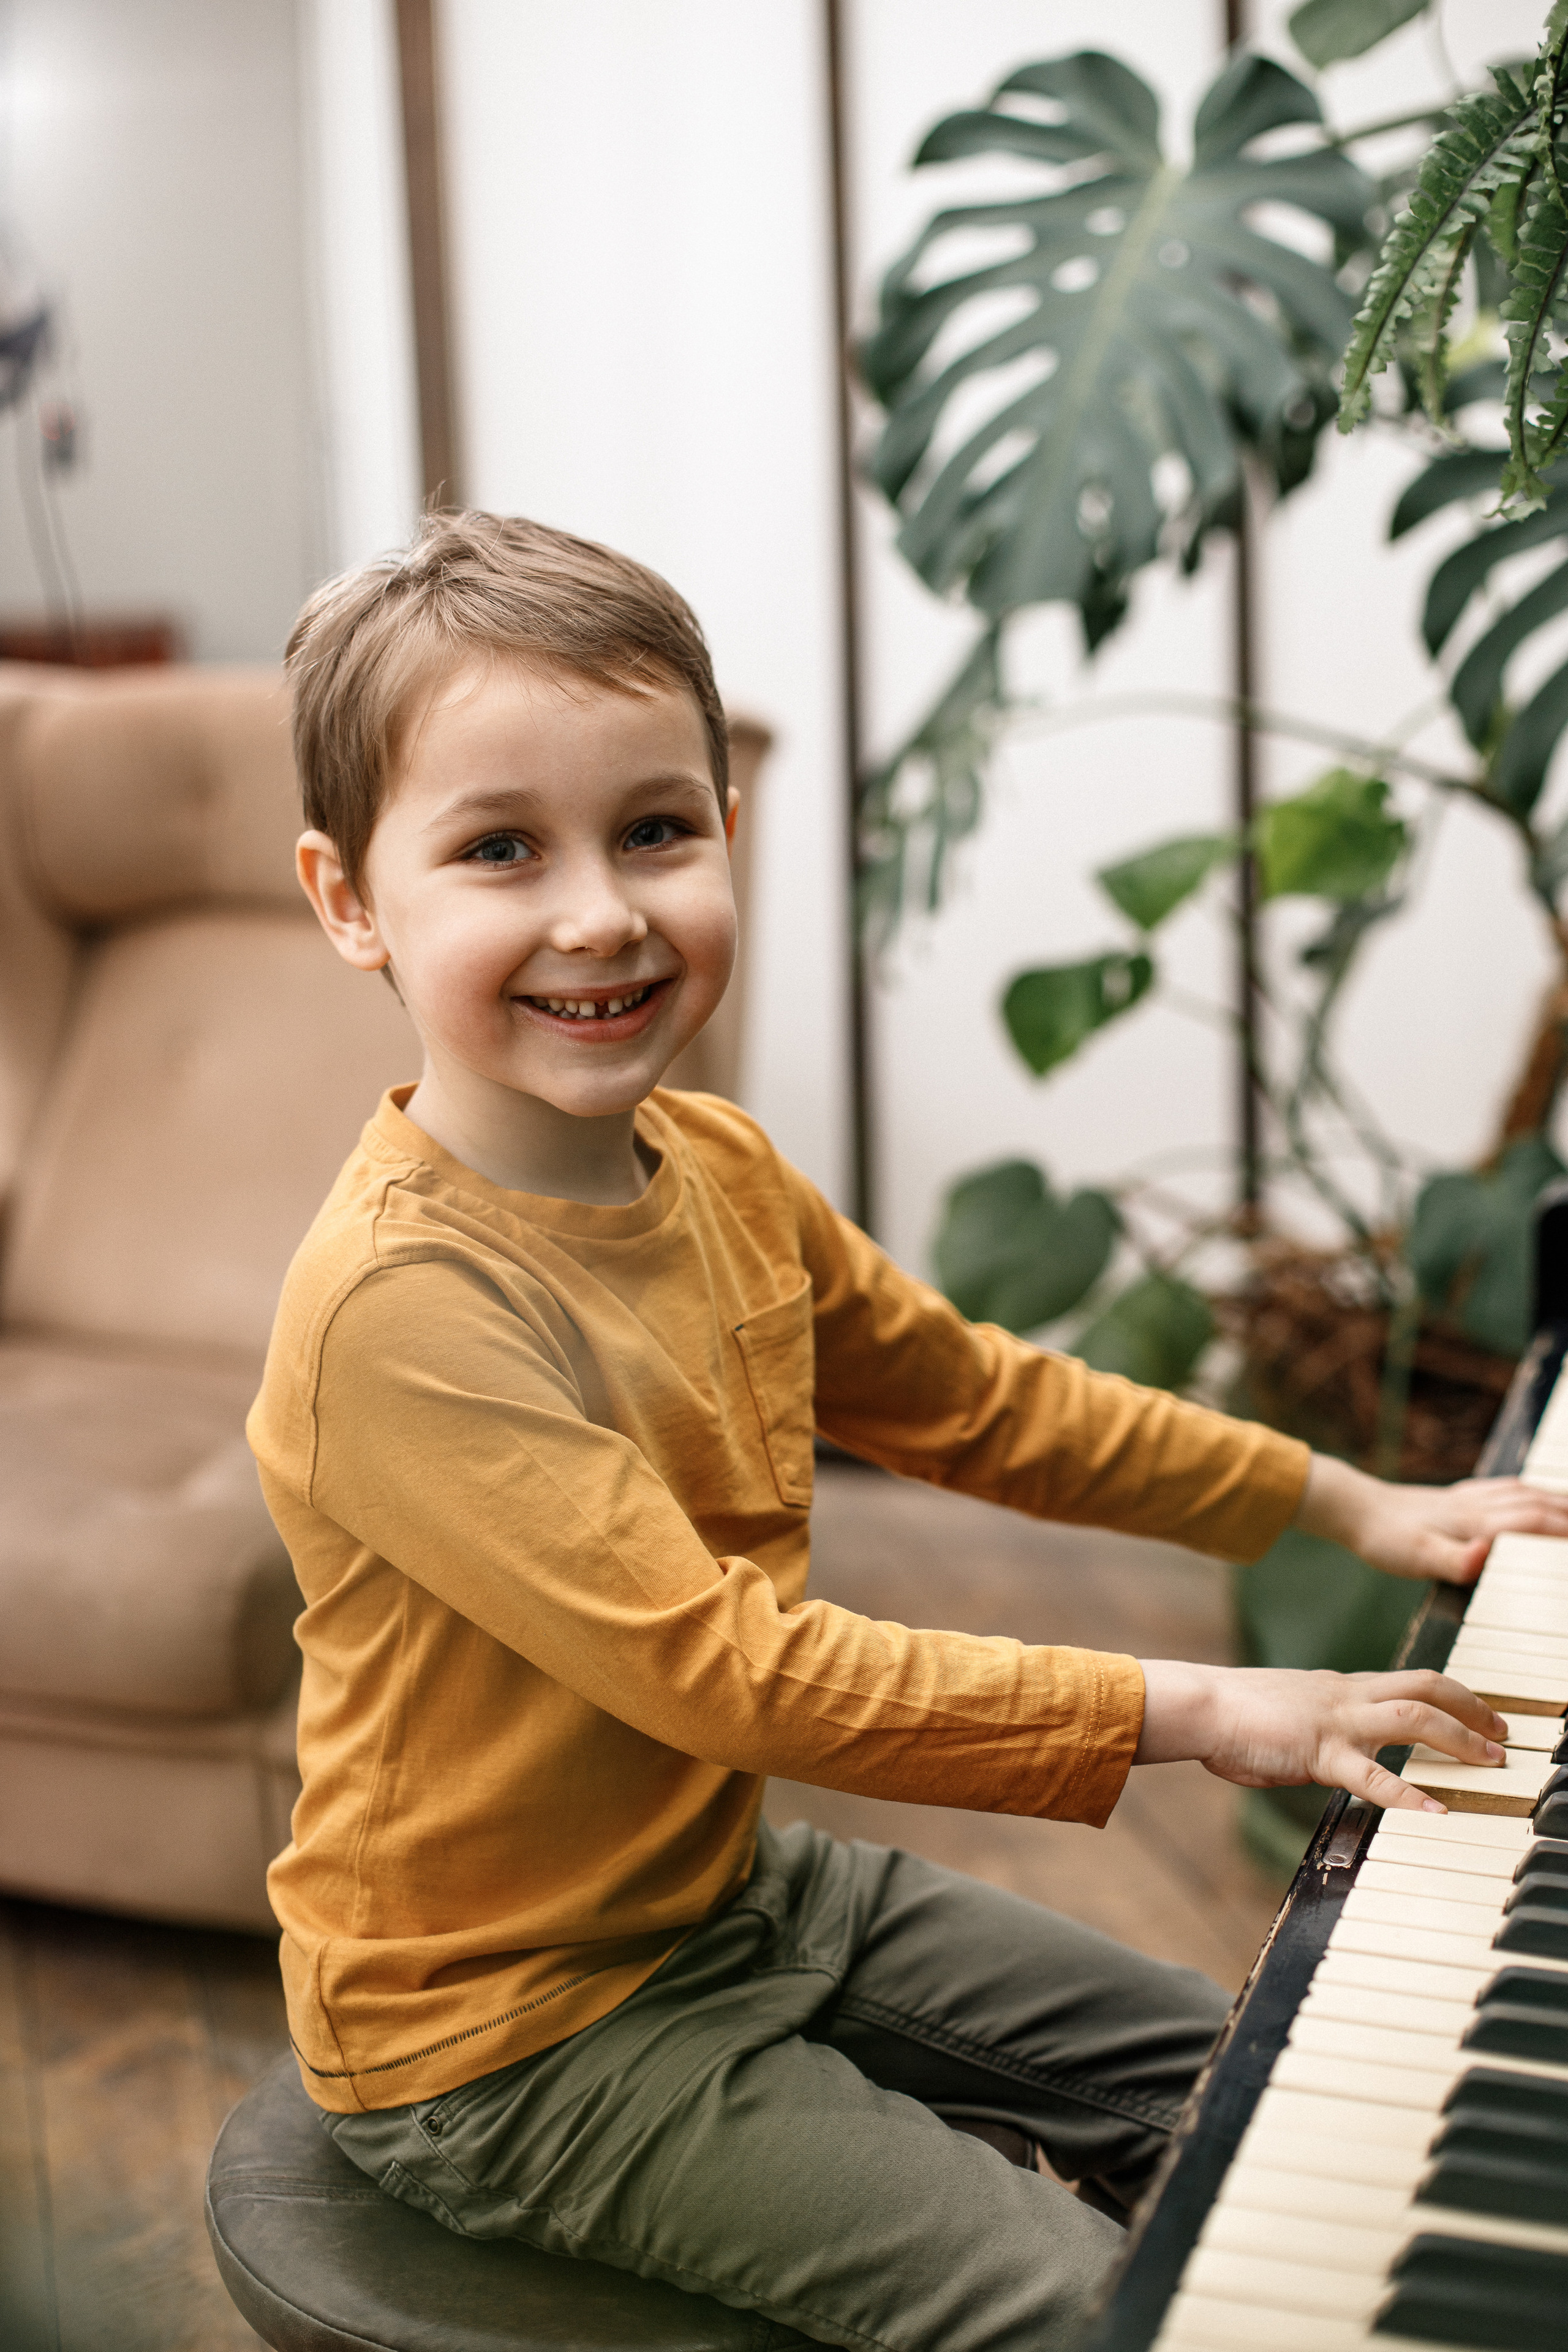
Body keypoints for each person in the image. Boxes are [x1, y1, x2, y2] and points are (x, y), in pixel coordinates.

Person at [249, 510, 1566, 2352]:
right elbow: (738, 1677)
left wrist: (1343, 1498)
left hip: (725, 1893)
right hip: (509, 2033)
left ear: (727, 826)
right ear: (349, 900)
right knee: (1093, 2313)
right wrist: (1197, 1710)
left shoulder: (714, 1165)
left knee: (1267, 2119)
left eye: (655, 828)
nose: (602, 910)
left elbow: (976, 1402)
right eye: (497, 850)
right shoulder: (402, 1312)